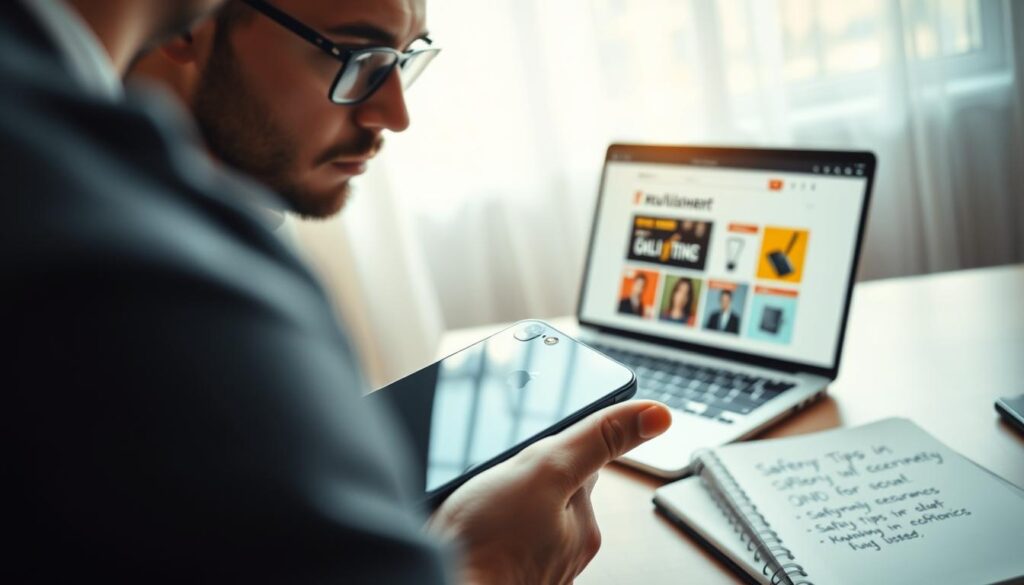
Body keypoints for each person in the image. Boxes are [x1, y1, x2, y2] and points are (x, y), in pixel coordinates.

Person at [3, 0, 672, 583]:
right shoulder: (133, 269)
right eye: (357, 55)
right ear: (195, 27)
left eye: (406, 59)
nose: (395, 112)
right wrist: (496, 568)